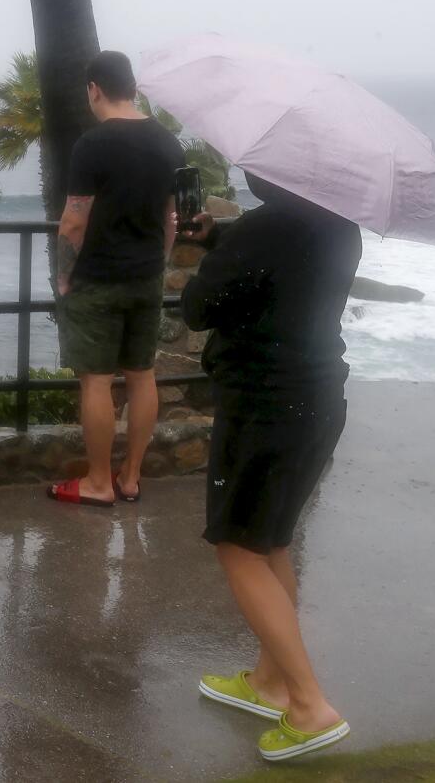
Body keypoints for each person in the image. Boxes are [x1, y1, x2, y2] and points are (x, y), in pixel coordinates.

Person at [181, 171, 361, 761]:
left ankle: (309, 706)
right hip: (317, 400)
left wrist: (195, 249)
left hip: (265, 406)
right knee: (272, 541)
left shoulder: (267, 227)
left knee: (238, 546)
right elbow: (285, 273)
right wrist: (222, 236)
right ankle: (269, 681)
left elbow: (199, 307)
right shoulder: (339, 224)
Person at [47, 50, 185, 508]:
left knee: (97, 381)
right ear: (133, 87)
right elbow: (172, 218)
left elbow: (73, 221)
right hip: (146, 277)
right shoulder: (169, 143)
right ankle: (130, 477)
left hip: (98, 278)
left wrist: (64, 277)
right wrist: (159, 263)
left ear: (95, 89)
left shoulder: (93, 145)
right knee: (143, 375)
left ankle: (98, 482)